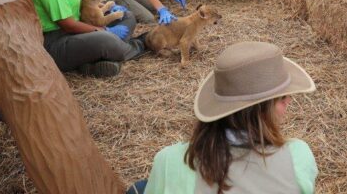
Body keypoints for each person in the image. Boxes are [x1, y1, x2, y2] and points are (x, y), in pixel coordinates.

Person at [135, 42, 317, 194]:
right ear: (263, 110)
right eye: (282, 97)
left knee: (139, 187)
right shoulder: (298, 156)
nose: (289, 100)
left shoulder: (168, 161)